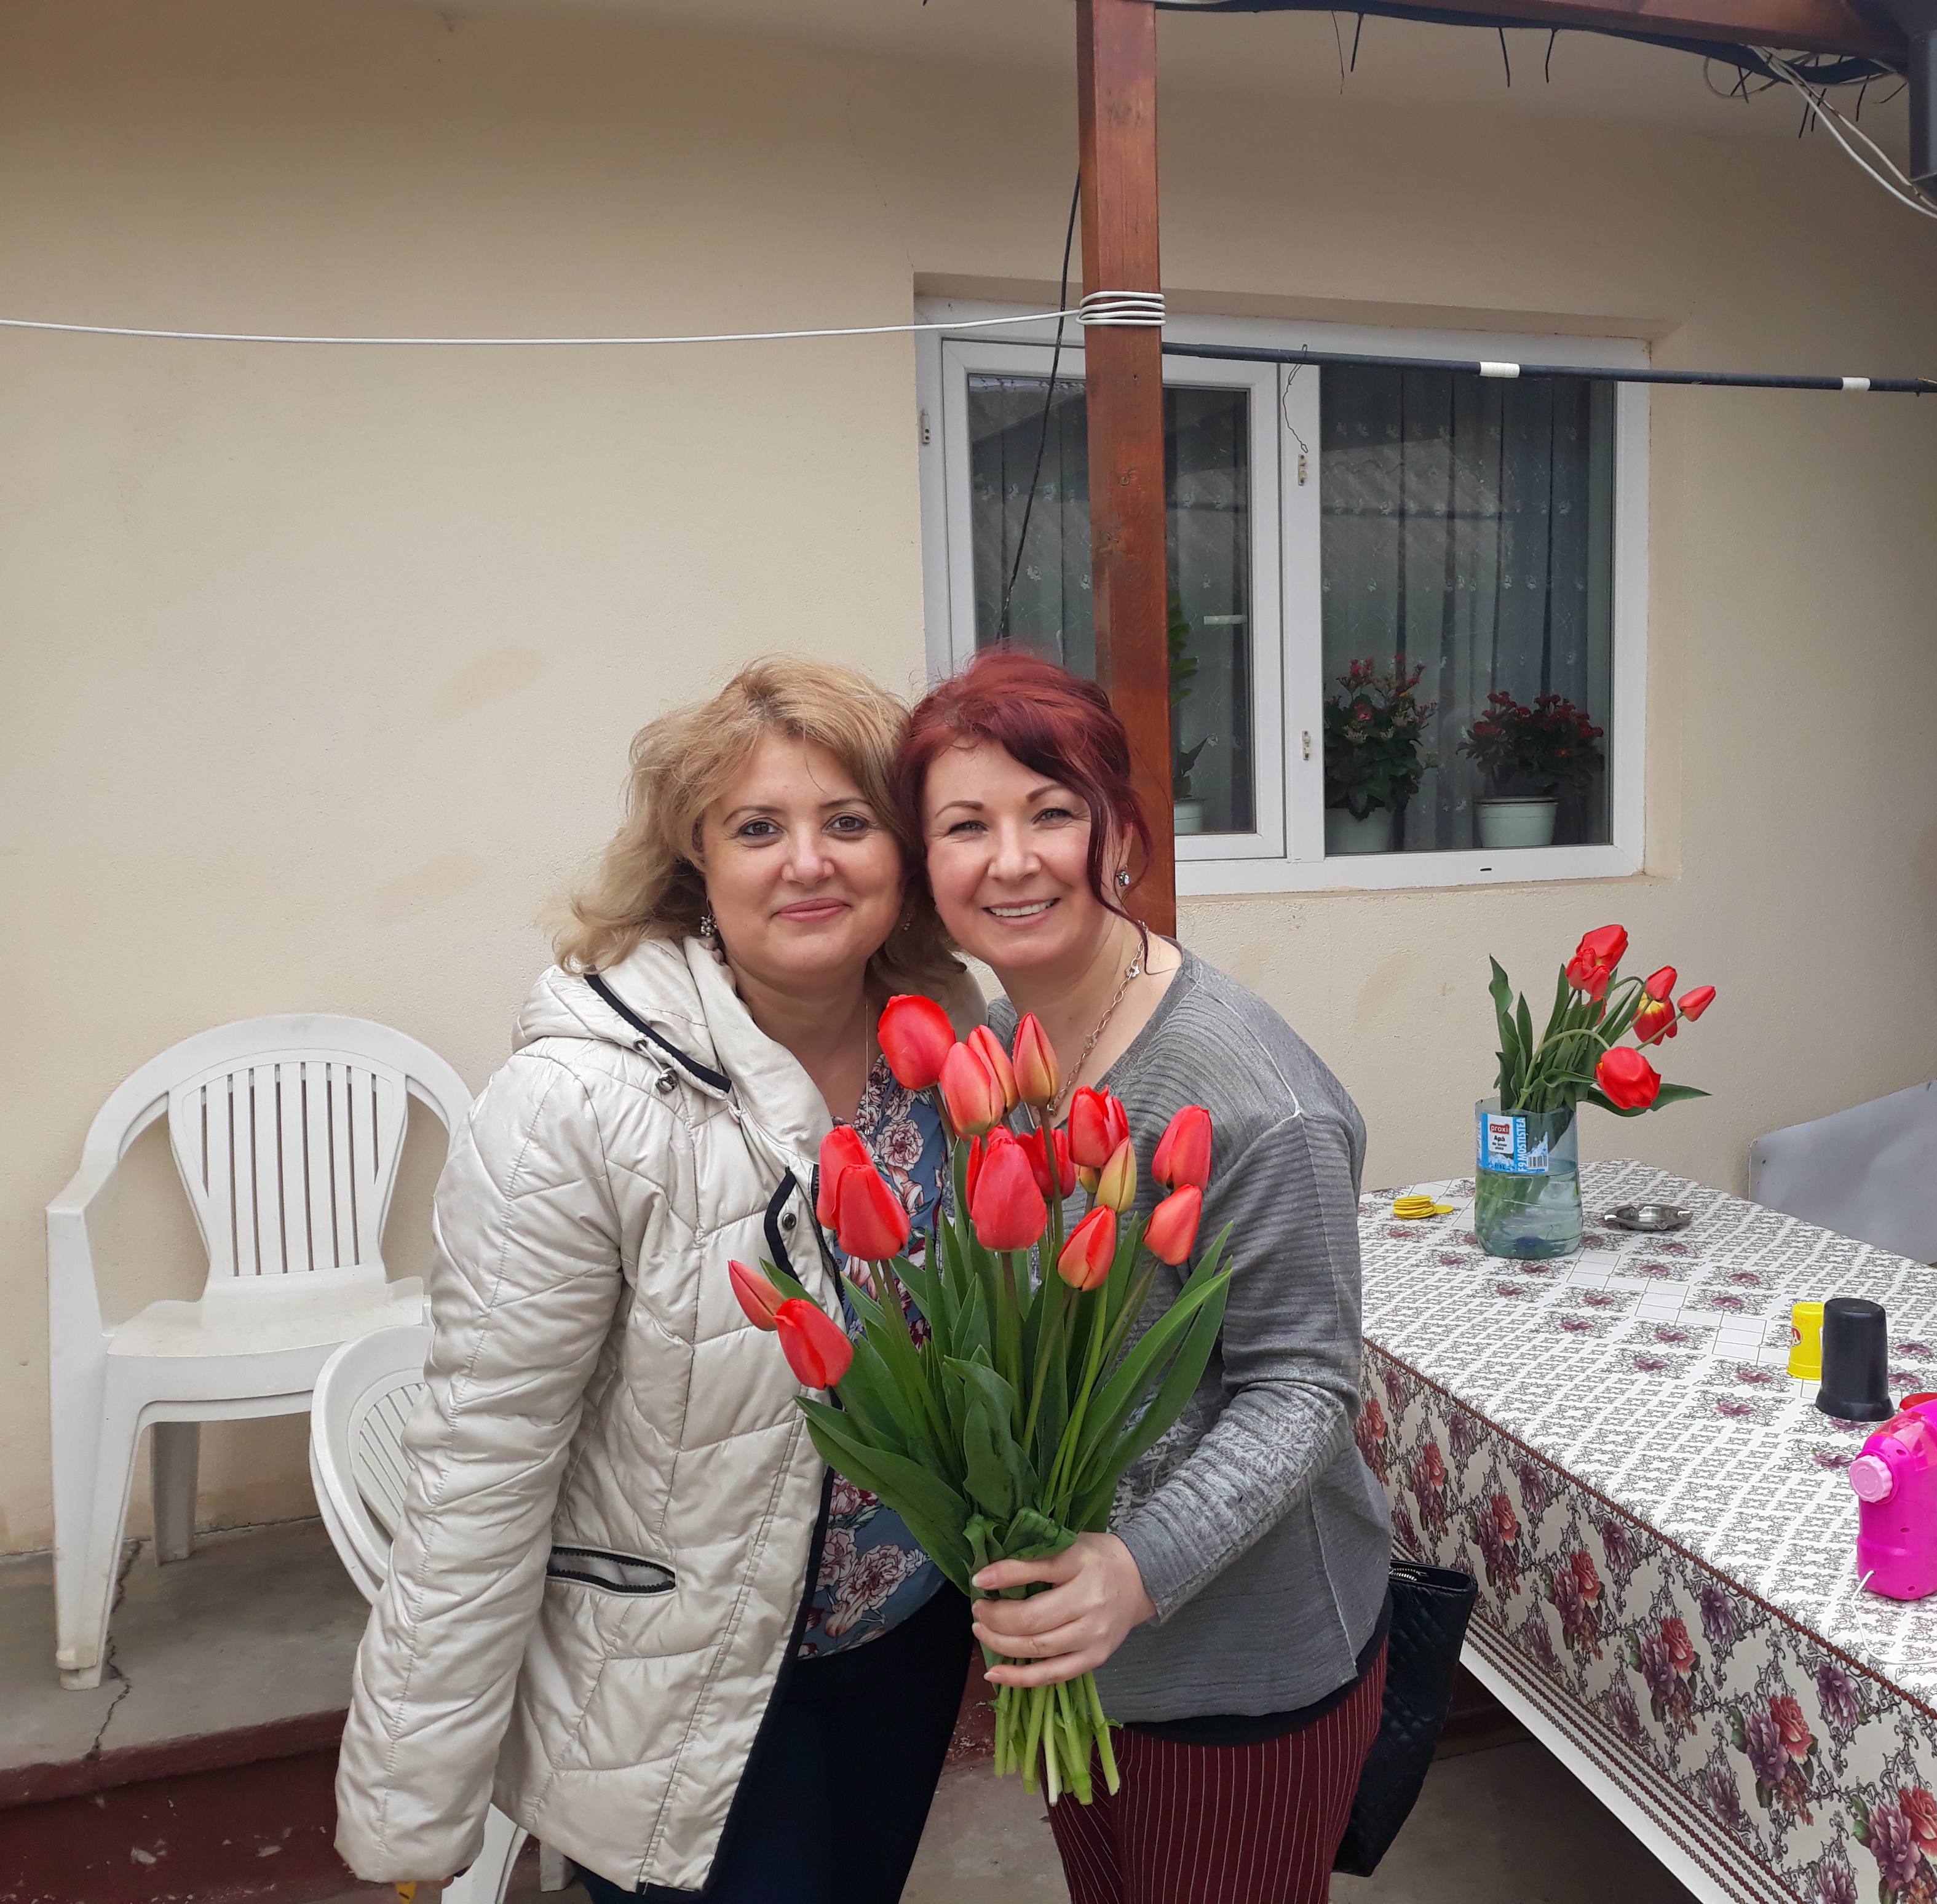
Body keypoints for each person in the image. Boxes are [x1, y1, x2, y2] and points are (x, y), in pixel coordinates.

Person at [335, 657, 986, 1902]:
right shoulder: (576, 1104)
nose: (809, 862)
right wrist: (414, 1803)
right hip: (682, 1685)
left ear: (902, 853)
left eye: (849, 821)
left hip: (903, 1640)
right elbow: (484, 1458)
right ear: (696, 861)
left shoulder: (955, 1047)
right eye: (759, 828)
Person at [894, 649, 1393, 1904]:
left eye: (1050, 813)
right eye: (966, 826)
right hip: (1083, 1656)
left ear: (1119, 834)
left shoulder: (1254, 1100)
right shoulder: (1001, 1046)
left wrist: (1138, 1567)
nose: (1011, 861)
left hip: (1241, 1669)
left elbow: (1305, 1387)